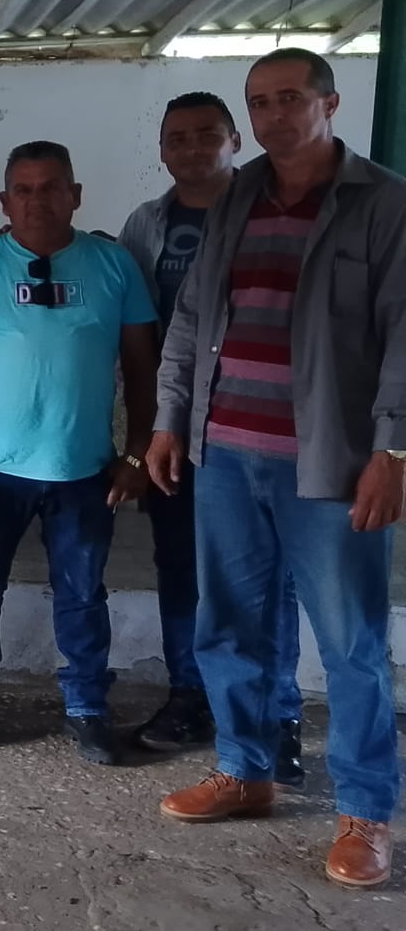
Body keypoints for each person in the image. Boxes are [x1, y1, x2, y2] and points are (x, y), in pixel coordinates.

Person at [151, 49, 403, 890]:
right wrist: (169, 419)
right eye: (259, 102)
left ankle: (366, 811)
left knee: (351, 642)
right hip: (226, 451)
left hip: (330, 462)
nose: (273, 116)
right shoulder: (238, 197)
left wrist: (395, 451)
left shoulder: (385, 203)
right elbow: (192, 318)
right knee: (229, 623)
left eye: (290, 98)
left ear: (330, 103)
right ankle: (246, 769)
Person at [0, 142, 159, 765]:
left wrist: (136, 454)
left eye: (52, 187)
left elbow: (144, 368)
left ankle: (87, 706)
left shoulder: (113, 266)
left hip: (83, 470)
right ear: (4, 201)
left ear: (75, 195)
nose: (38, 200)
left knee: (83, 593)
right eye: (24, 189)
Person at [117, 95, 305, 773]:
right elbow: (135, 327)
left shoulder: (273, 213)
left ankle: (277, 715)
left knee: (270, 577)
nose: (192, 148)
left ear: (234, 141)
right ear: (162, 150)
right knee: (179, 565)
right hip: (175, 426)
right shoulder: (147, 224)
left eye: (207, 135)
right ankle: (190, 696)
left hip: (256, 423)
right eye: (178, 138)